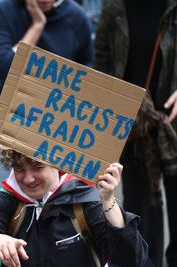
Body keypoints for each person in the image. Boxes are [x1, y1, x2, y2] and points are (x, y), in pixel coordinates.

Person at [94, 0, 177, 266]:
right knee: (141, 211)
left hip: (173, 122)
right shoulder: (114, 5)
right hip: (132, 125)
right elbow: (103, 57)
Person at [0, 149, 149, 266]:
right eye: (19, 169)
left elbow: (131, 259)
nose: (28, 178)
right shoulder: (7, 199)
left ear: (58, 163)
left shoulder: (84, 199)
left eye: (37, 167)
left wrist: (108, 201)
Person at [0, 0, 93, 192]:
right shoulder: (4, 9)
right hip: (10, 113)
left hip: (56, 123)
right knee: (2, 195)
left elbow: (88, 75)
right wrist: (37, 25)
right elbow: (7, 66)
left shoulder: (76, 16)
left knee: (59, 197)